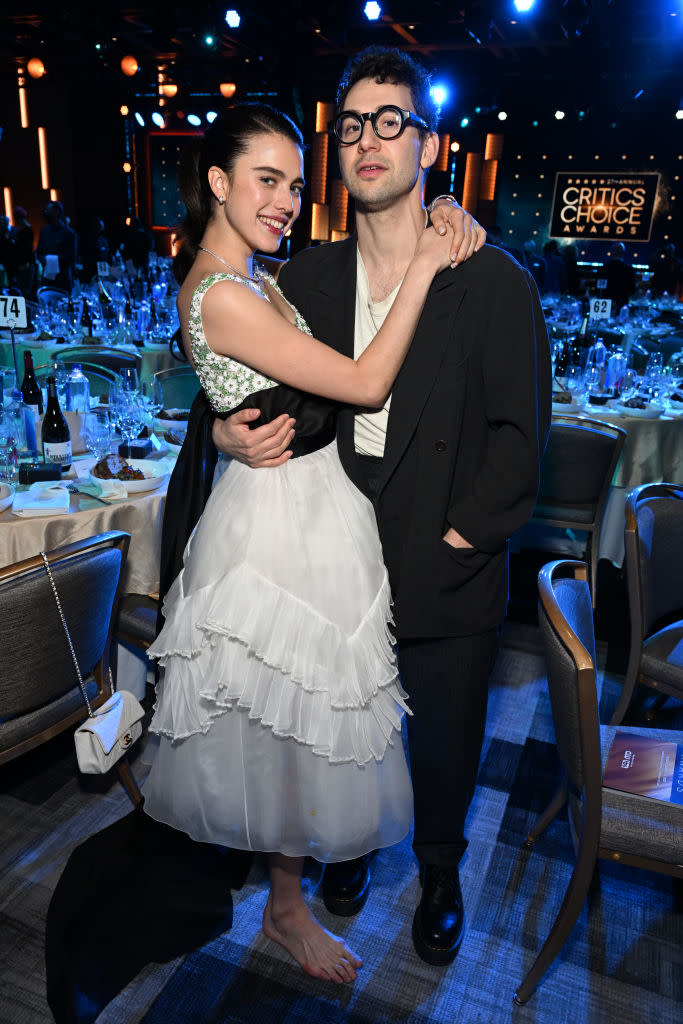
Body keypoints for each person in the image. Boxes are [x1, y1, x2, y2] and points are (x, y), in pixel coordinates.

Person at [207, 46, 551, 968]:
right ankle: (346, 844)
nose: (367, 139)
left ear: (430, 145)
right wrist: (225, 438)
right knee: (342, 719)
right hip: (334, 534)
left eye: (389, 121)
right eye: (352, 124)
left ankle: (439, 872)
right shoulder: (308, 279)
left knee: (442, 730)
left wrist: (461, 535)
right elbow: (246, 383)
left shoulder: (492, 279)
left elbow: (522, 438)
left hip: (442, 535)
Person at [144, 103, 460, 985]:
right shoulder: (224, 294)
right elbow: (362, 382)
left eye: (292, 181)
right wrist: (428, 264)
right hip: (278, 523)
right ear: (217, 182)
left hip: (308, 501)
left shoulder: (251, 277)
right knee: (283, 719)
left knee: (298, 716)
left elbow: (251, 391)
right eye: (265, 180)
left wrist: (217, 425)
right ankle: (285, 908)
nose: (286, 200)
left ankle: (284, 899)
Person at [36, 201, 78, 292]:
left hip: (63, 280)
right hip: (47, 280)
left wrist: (52, 259)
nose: (46, 212)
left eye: (49, 210)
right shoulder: (44, 231)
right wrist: (44, 259)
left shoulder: (69, 233)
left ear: (57, 212)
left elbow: (72, 258)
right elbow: (39, 252)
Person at [601, 241, 636, 312]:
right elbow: (633, 290)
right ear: (623, 253)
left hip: (603, 307)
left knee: (600, 323)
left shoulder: (602, 269)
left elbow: (599, 290)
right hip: (622, 307)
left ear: (611, 253)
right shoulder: (629, 270)